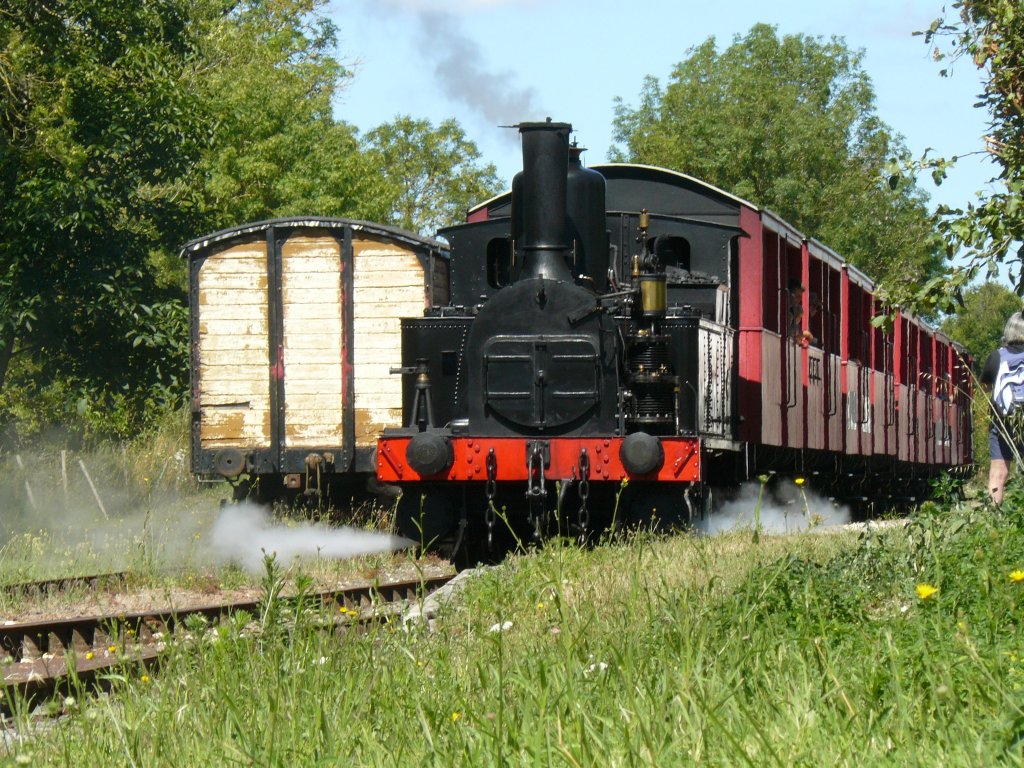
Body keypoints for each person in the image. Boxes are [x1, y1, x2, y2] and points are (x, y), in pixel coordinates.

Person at [980, 311, 1024, 504]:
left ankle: (994, 520)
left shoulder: (996, 356)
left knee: (998, 473)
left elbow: (985, 388)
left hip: (1002, 422)